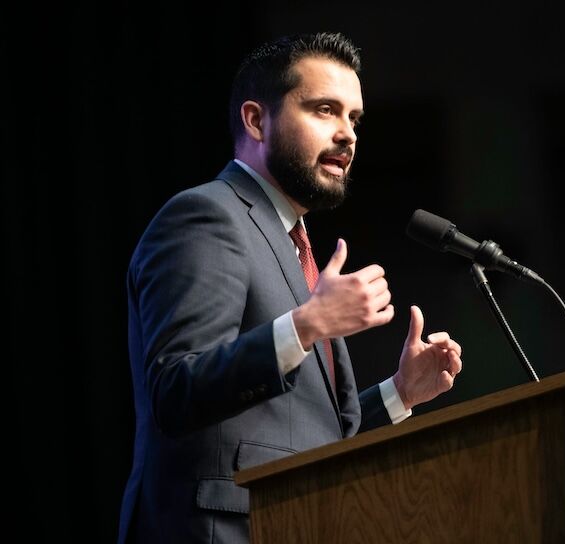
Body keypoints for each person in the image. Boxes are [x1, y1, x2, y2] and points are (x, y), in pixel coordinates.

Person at [117, 32, 463, 544]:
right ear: (257, 120)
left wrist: (400, 393)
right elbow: (175, 390)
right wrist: (308, 324)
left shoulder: (292, 246)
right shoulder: (206, 216)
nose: (347, 134)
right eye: (325, 110)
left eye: (354, 118)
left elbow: (313, 445)